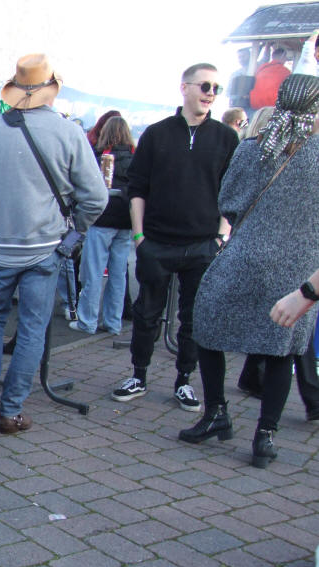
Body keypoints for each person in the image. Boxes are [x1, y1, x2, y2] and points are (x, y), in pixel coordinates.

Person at [0, 54, 107, 434]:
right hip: (46, 246)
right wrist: (74, 231)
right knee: (33, 327)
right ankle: (11, 410)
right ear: (51, 91)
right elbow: (96, 198)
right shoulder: (69, 133)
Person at [179, 73, 319, 468]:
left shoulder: (256, 148)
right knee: (281, 350)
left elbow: (229, 201)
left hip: (244, 258)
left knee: (206, 326)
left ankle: (216, 413)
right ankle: (265, 435)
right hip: (298, 270)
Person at [111, 63, 239, 411]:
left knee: (194, 317)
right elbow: (137, 188)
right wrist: (139, 235)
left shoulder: (226, 137)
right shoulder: (156, 133)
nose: (211, 93)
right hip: (157, 240)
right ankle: (139, 373)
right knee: (146, 312)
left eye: (217, 88)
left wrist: (221, 237)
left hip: (203, 243)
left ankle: (184, 380)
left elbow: (233, 190)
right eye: (205, 85)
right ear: (185, 88)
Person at [70, 116, 136, 336]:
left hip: (102, 218)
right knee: (118, 274)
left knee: (93, 272)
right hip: (126, 222)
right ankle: (113, 321)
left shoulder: (99, 156)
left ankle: (87, 320)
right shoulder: (135, 157)